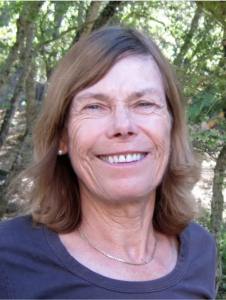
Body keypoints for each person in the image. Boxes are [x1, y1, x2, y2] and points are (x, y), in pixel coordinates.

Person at [0, 27, 216, 299]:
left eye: (144, 103)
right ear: (62, 137)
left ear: (171, 128)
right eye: (94, 107)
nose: (123, 126)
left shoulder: (199, 251)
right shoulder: (7, 260)